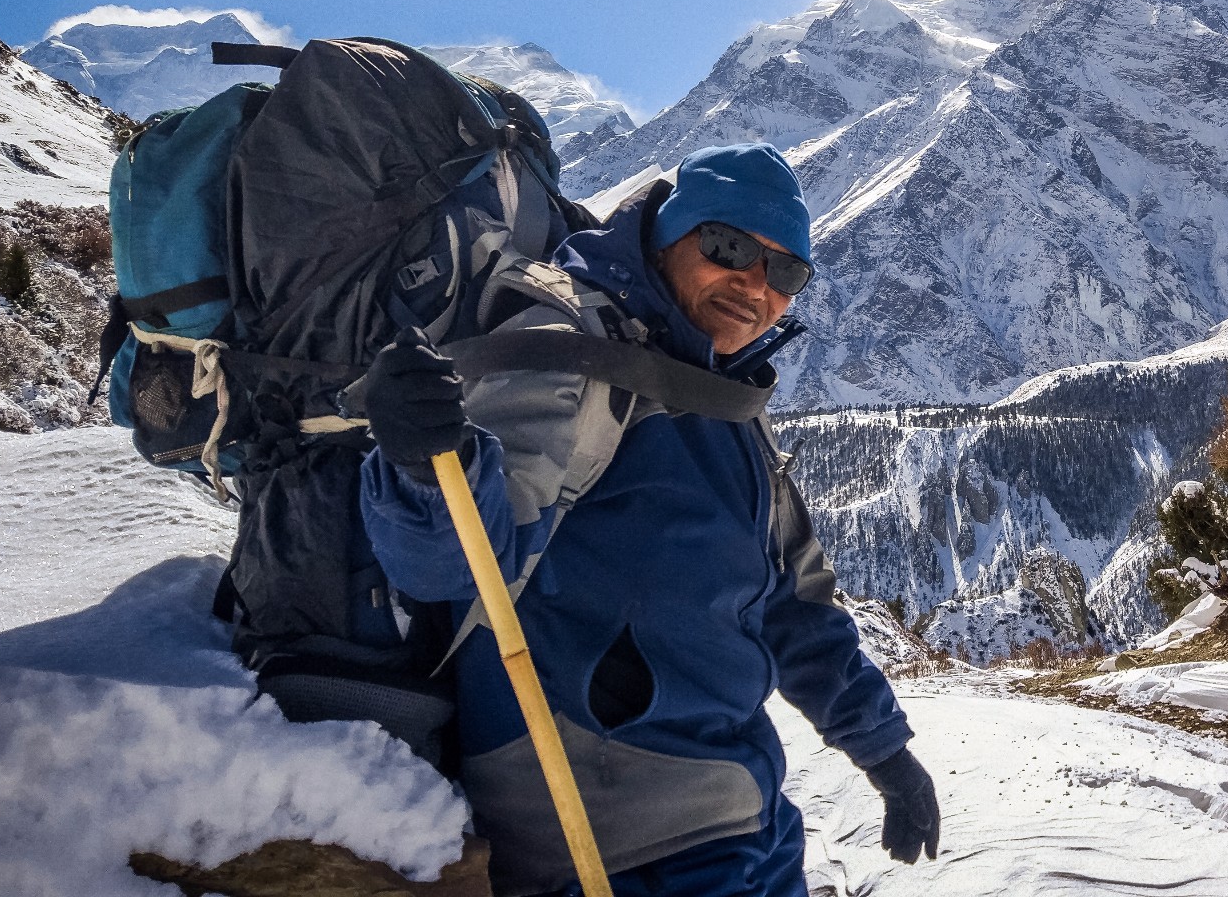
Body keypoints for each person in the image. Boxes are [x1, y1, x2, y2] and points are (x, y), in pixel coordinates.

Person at [356, 143, 940, 897]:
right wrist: (420, 459)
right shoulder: (573, 356)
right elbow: (453, 566)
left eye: (784, 272)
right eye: (728, 246)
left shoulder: (722, 394)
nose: (753, 285)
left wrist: (884, 752)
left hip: (744, 820)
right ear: (667, 237)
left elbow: (795, 605)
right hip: (614, 843)